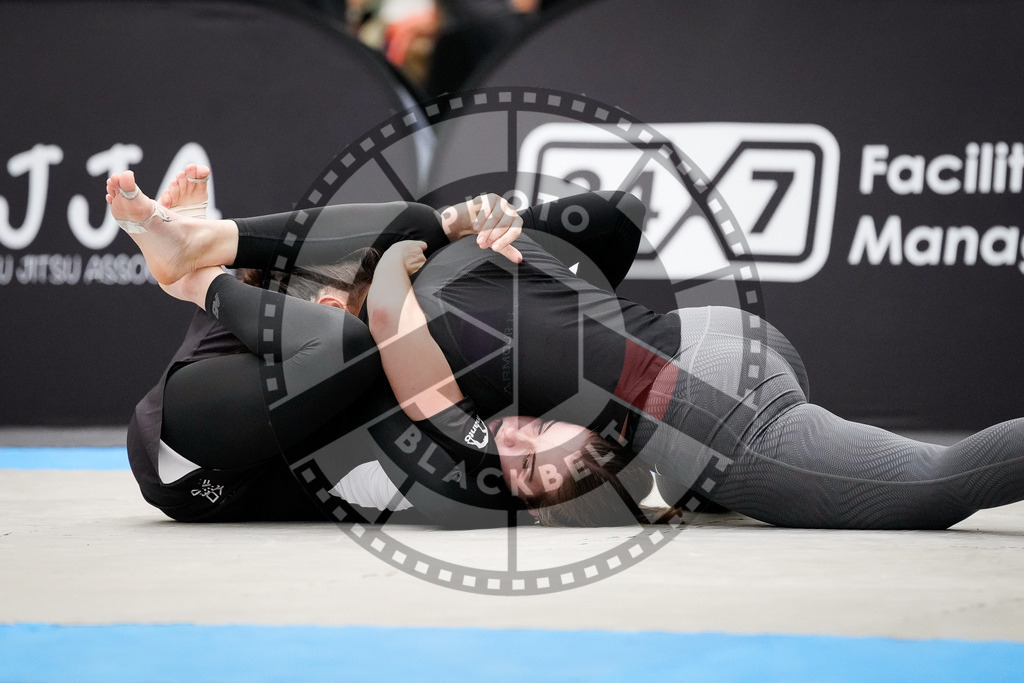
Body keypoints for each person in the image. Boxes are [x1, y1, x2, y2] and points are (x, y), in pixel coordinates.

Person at [365, 190, 1024, 530]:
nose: (514, 429)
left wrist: (496, 223)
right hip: (721, 341)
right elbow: (608, 222)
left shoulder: (437, 319)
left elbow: (615, 214)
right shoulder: (501, 272)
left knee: (929, 484)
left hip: (695, 400)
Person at [110, 167, 524, 523]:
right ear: (330, 305)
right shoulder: (342, 342)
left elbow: (455, 491)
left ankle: (198, 267)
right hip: (185, 440)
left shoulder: (378, 391)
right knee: (355, 335)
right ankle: (200, 259)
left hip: (214, 455)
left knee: (355, 333)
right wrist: (464, 219)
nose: (412, 330)